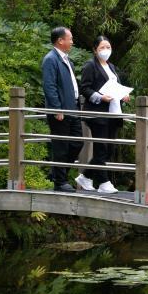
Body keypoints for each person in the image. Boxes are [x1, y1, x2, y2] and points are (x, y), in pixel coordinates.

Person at [78, 35, 131, 193]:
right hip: (98, 114)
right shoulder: (90, 66)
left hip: (113, 113)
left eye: (108, 47)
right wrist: (100, 97)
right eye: (102, 47)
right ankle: (103, 182)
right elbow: (85, 88)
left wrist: (123, 95)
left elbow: (116, 87)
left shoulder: (111, 66)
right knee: (101, 148)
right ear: (95, 50)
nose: (106, 50)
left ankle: (86, 176)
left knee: (108, 149)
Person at [41, 26, 84, 192]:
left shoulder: (67, 60)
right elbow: (49, 86)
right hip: (60, 111)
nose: (72, 42)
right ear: (60, 40)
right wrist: (56, 109)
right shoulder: (51, 59)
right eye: (70, 39)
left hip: (73, 108)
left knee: (77, 143)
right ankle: (60, 182)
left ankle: (58, 174)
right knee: (61, 146)